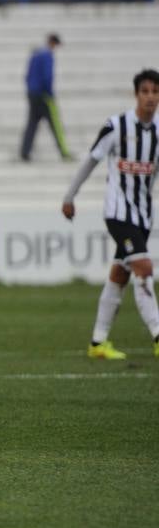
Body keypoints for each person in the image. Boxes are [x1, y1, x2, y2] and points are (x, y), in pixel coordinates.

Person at [61, 70, 159, 361]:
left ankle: (97, 343)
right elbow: (91, 160)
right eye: (145, 91)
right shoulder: (116, 126)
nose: (151, 97)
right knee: (143, 268)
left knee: (119, 275)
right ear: (136, 94)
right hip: (117, 212)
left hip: (143, 216)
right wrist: (69, 196)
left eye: (156, 91)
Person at [20, 34, 70, 162]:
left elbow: (27, 75)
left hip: (32, 94)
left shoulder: (35, 54)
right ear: (53, 43)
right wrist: (50, 94)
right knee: (55, 124)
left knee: (32, 124)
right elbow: (47, 77)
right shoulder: (47, 56)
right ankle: (64, 152)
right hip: (44, 96)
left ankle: (25, 152)